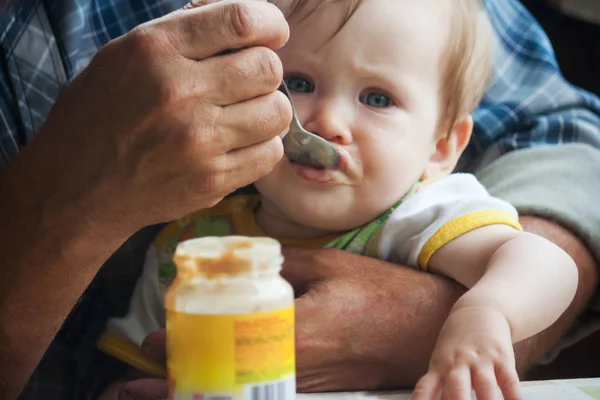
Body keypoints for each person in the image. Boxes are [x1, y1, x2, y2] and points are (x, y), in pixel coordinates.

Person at [0, 0, 599, 399]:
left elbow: (543, 265)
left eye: (378, 99)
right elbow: (137, 368)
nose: (331, 121)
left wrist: (484, 314)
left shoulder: (420, 214)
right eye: (300, 84)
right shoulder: (195, 244)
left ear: (442, 146)